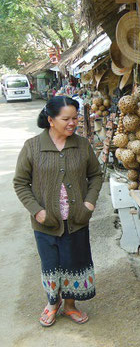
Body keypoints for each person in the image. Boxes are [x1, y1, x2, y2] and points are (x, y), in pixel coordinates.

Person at [13, 96, 103, 327]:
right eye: (66, 119)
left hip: (77, 219)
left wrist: (89, 204)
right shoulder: (32, 146)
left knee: (74, 262)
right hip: (46, 222)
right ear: (51, 120)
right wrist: (37, 211)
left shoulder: (82, 145)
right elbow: (20, 183)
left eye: (75, 118)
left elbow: (95, 175)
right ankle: (53, 304)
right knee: (51, 264)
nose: (73, 123)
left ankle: (70, 306)